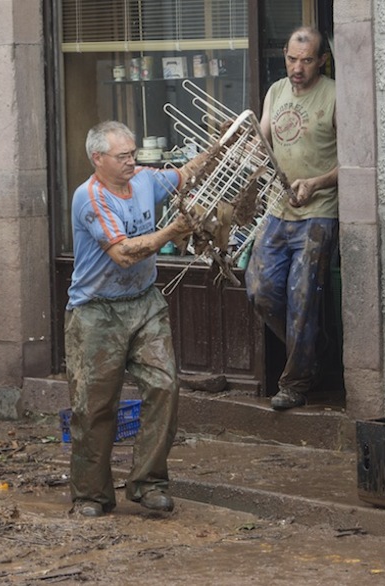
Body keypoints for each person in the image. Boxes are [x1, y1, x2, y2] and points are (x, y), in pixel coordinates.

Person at [65, 120, 212, 518]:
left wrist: (219, 149)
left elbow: (185, 174)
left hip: (144, 302)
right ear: (98, 159)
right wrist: (172, 232)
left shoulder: (145, 180)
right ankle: (91, 495)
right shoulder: (91, 197)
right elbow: (124, 253)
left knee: (165, 386)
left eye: (133, 153)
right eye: (123, 156)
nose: (133, 161)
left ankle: (149, 483)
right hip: (96, 310)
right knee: (94, 407)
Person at [246, 26, 339, 411]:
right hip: (277, 207)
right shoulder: (275, 92)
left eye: (306, 60)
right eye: (291, 59)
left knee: (302, 295)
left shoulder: (336, 95)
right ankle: (314, 347)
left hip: (318, 211)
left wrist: (316, 183)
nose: (297, 68)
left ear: (321, 60)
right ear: (284, 54)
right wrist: (249, 152)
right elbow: (261, 138)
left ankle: (296, 382)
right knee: (259, 289)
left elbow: (356, 163)